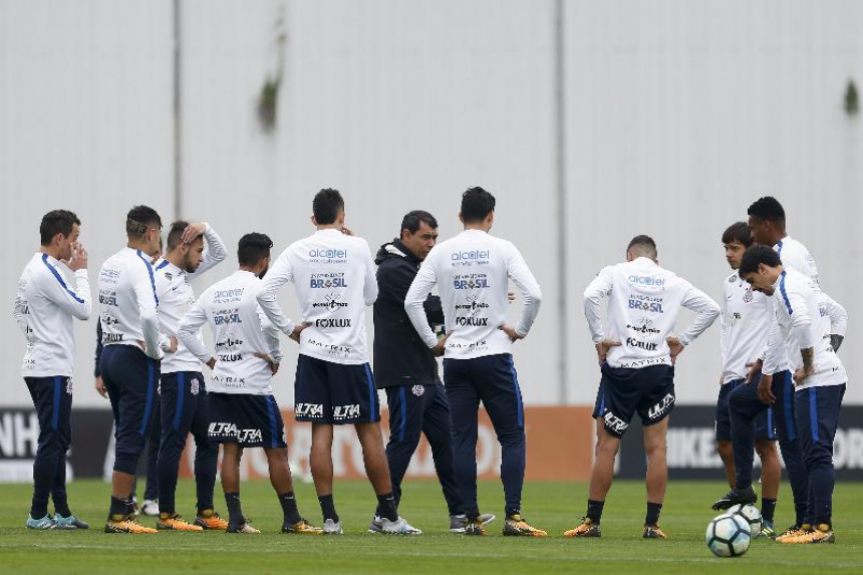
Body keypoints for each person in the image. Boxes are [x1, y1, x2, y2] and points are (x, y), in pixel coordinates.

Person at [257, 188, 420, 535]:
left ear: (313, 218)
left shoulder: (297, 249)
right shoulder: (357, 246)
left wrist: (289, 328)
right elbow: (372, 296)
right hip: (350, 354)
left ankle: (330, 519)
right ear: (342, 216)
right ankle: (389, 517)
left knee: (321, 434)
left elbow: (263, 291)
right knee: (370, 434)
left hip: (313, 352)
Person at [405, 186, 545, 537]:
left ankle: (470, 518)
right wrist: (520, 330)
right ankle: (513, 516)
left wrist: (433, 342)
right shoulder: (503, 248)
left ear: (459, 216)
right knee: (511, 436)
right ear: (491, 216)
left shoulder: (442, 252)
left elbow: (411, 301)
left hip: (457, 358)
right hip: (494, 355)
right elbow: (534, 294)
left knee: (462, 440)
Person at [568, 235, 719, 539]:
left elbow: (590, 296)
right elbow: (712, 308)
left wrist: (599, 338)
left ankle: (592, 523)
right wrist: (683, 340)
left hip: (621, 371)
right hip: (657, 370)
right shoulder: (672, 280)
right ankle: (652, 525)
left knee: (606, 446)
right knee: (657, 448)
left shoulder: (615, 272)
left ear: (629, 255)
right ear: (656, 260)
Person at [178, 232, 320, 535]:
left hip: (222, 383)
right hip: (253, 385)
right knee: (275, 450)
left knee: (231, 450)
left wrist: (211, 361)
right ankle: (292, 519)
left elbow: (185, 329)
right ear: (265, 260)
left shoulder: (214, 290)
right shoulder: (258, 289)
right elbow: (268, 325)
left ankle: (236, 519)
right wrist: (275, 357)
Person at [371, 210, 495, 534]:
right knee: (404, 441)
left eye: (435, 237)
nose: (432, 243)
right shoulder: (393, 270)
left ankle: (461, 514)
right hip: (403, 371)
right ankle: (384, 515)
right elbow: (427, 306)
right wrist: (474, 302)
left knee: (446, 440)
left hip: (425, 370)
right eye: (426, 237)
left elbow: (432, 306)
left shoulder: (412, 267)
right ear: (406, 235)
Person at [736, 196, 847, 539]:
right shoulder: (797, 283)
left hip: (817, 380)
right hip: (820, 377)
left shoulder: (785, 286)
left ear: (763, 269)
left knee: (816, 454)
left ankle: (821, 527)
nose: (753, 288)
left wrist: (811, 363)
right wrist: (825, 351)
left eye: (752, 280)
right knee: (812, 452)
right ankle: (809, 524)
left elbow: (800, 321)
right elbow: (838, 313)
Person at [14, 210, 91, 530]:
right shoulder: (46, 271)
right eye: (74, 237)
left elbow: (18, 312)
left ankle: (61, 511)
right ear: (59, 237)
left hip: (40, 363)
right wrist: (82, 273)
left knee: (58, 439)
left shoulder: (34, 268)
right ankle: (37, 514)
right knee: (52, 439)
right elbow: (84, 309)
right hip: (51, 367)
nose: (76, 245)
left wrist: (36, 339)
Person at [153, 221, 227, 531]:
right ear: (182, 247)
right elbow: (137, 315)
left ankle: (205, 512)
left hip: (193, 371)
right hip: (175, 372)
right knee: (173, 442)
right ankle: (166, 514)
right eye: (198, 250)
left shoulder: (184, 274)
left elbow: (220, 253)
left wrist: (206, 228)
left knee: (209, 440)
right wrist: (161, 342)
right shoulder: (157, 277)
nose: (201, 256)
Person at [712, 222, 781, 536]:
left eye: (734, 248)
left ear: (750, 249)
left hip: (757, 374)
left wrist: (766, 360)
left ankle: (767, 519)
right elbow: (726, 326)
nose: (728, 254)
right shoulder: (729, 284)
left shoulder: (766, 283)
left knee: (765, 446)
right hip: (732, 374)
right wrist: (726, 364)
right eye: (726, 248)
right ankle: (744, 505)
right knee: (724, 444)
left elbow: (780, 323)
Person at [98, 205, 164, 533]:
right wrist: (155, 349)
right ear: (151, 233)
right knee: (133, 437)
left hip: (110, 352)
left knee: (125, 431)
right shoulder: (141, 265)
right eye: (159, 234)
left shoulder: (109, 263)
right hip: (133, 358)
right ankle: (118, 516)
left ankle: (125, 509)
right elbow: (149, 315)